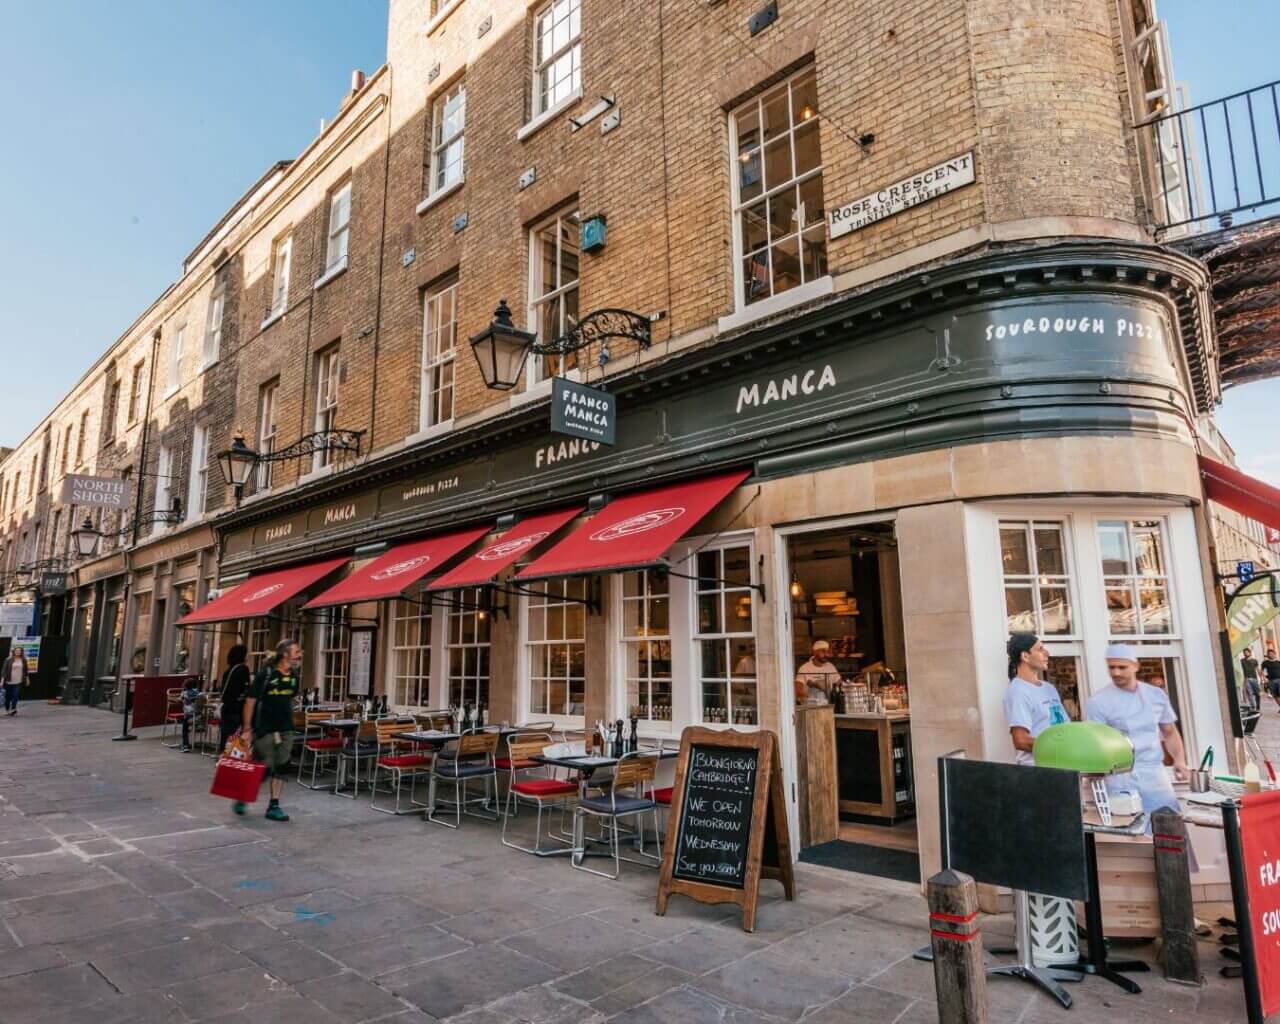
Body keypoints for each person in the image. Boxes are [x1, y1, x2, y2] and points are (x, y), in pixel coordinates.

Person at [1086, 643, 1189, 822]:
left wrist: (1180, 761)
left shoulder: (1156, 695)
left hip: (1154, 774)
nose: (1116, 672)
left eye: (1122, 667)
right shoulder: (1098, 701)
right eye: (1112, 667)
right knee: (1129, 830)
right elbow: (1095, 742)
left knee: (1170, 827)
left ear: (1135, 666)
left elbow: (1169, 731)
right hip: (1119, 777)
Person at [240, 640, 303, 821]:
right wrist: (247, 729)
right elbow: (250, 701)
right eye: (296, 651)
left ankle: (274, 806)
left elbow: (290, 699)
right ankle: (244, 794)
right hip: (264, 727)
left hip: (286, 727)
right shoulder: (266, 674)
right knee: (266, 765)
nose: (299, 654)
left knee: (282, 765)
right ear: (285, 655)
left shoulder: (293, 676)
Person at [1002, 633, 1068, 765]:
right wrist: (1061, 748)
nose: (1047, 653)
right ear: (1025, 656)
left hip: (1061, 764)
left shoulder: (1049, 688)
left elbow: (1064, 725)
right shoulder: (1018, 691)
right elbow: (1020, 740)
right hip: (1038, 769)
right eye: (1040, 649)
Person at [217, 644, 251, 753]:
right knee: (236, 738)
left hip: (227, 708)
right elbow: (247, 690)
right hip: (237, 710)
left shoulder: (228, 671)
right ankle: (232, 759)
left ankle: (224, 757)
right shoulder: (243, 669)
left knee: (226, 736)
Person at [794, 639, 841, 706]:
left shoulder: (831, 667)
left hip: (829, 706)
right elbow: (798, 690)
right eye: (823, 651)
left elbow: (839, 683)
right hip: (811, 707)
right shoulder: (804, 668)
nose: (826, 654)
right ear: (814, 652)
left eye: (827, 652)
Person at [3, 646, 30, 716]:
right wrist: (2, 681)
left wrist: (27, 679)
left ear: (21, 652)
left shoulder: (23, 660)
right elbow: (4, 671)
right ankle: (7, 710)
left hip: (18, 681)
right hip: (8, 681)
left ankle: (13, 709)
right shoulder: (8, 659)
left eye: (19, 651)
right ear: (14, 651)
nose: (18, 652)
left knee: (15, 695)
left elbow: (26, 670)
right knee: (8, 696)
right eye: (16, 650)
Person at [179, 677, 203, 752]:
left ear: (185, 685)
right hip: (199, 715)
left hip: (188, 715)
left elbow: (179, 699)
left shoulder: (184, 693)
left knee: (184, 730)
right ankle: (189, 743)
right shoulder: (199, 693)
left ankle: (185, 745)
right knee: (189, 727)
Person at [1241, 646, 1262, 713]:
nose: (1246, 653)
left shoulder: (1254, 660)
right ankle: (1253, 707)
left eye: (1247, 652)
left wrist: (1261, 679)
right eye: (1245, 653)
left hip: (1254, 678)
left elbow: (1258, 669)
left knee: (1257, 694)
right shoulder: (1242, 661)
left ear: (1250, 653)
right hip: (1247, 679)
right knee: (1250, 693)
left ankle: (1258, 706)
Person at [1261, 645, 1280, 713]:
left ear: (1275, 654)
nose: (1271, 655)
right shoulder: (1265, 663)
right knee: (1275, 695)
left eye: (1272, 654)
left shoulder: (1278, 662)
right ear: (1268, 655)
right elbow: (1262, 671)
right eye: (1270, 654)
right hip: (1271, 681)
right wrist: (1264, 678)